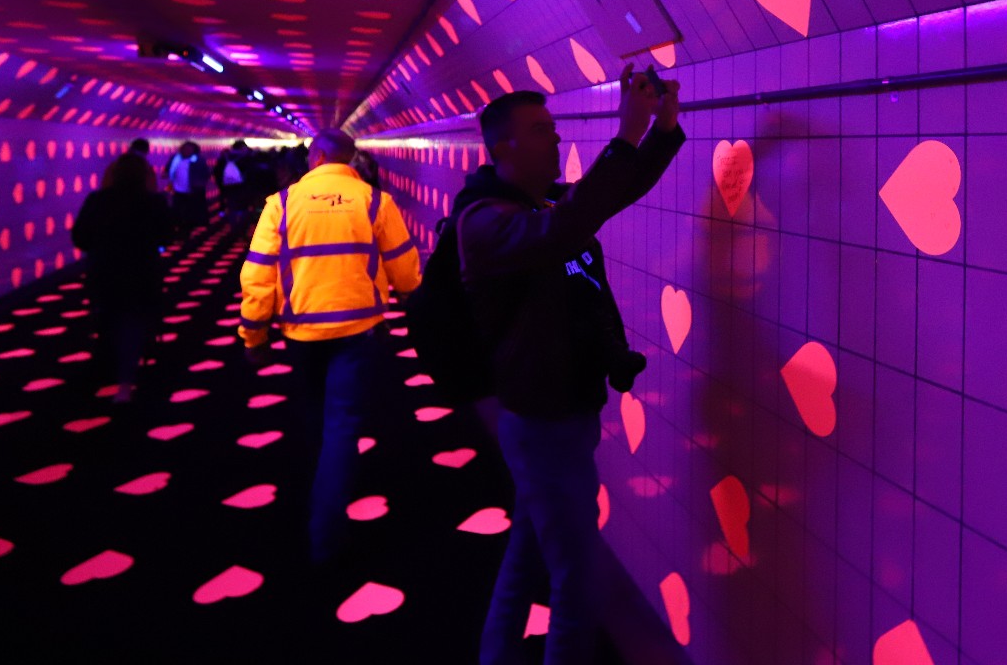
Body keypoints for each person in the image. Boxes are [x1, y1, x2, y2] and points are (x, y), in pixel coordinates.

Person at [465, 65, 683, 664]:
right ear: (502, 147)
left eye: (553, 127)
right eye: (541, 130)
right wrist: (626, 133)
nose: (556, 138)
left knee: (527, 555)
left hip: (562, 411)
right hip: (542, 420)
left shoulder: (540, 203)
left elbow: (610, 193)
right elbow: (565, 228)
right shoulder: (485, 222)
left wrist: (661, 130)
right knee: (579, 583)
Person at [237, 128, 421, 564]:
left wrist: (254, 335)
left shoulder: (281, 203)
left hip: (301, 331)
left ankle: (319, 490)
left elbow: (257, 274)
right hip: (358, 329)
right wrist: (412, 300)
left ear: (316, 157)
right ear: (351, 159)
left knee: (314, 414)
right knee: (343, 423)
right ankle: (327, 530)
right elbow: (406, 271)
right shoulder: (374, 201)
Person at [71, 151, 173, 402]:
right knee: (132, 321)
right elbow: (166, 236)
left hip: (104, 270)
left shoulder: (97, 200)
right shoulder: (154, 201)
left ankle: (105, 369)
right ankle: (126, 381)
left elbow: (80, 237)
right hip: (142, 270)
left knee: (107, 318)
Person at [166, 141, 209, 237]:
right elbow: (168, 170)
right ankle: (180, 229)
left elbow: (205, 173)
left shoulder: (198, 160)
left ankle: (187, 230)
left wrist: (199, 184)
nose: (186, 151)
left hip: (193, 191)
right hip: (177, 190)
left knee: (190, 212)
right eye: (184, 149)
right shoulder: (175, 159)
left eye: (189, 149)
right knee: (178, 211)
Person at [215, 139, 255, 235]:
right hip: (244, 187)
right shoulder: (246, 157)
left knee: (232, 207)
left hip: (229, 187)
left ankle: (234, 228)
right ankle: (242, 228)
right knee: (244, 207)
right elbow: (252, 172)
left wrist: (221, 185)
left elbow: (217, 171)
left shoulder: (225, 157)